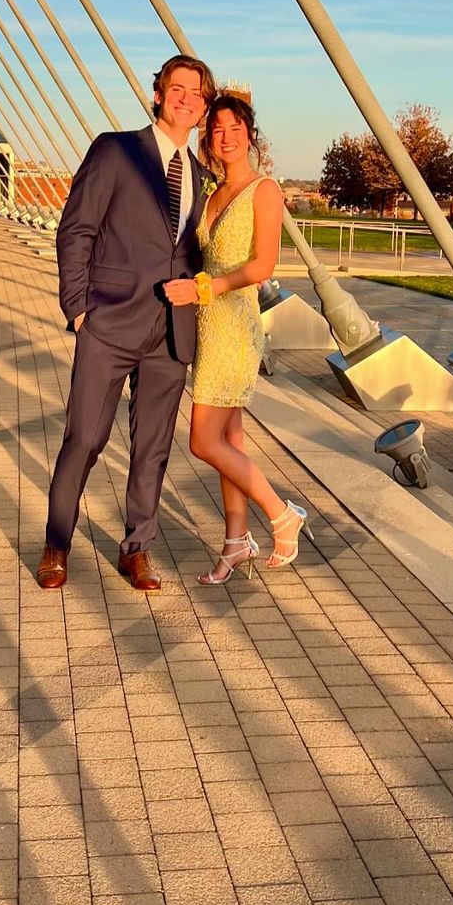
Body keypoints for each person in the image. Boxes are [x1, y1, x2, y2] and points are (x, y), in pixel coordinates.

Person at [38, 54, 216, 592]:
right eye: (177, 89)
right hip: (109, 322)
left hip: (170, 333)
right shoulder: (115, 150)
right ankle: (56, 544)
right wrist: (77, 308)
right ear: (158, 93)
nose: (187, 99)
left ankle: (136, 549)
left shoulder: (203, 176)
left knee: (153, 448)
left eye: (197, 93)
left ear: (204, 107)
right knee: (85, 437)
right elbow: (76, 229)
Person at [164, 95, 313, 583]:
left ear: (250, 134)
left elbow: (263, 265)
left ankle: (281, 514)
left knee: (203, 440)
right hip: (207, 326)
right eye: (217, 129)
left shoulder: (264, 190)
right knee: (230, 440)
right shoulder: (211, 192)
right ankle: (236, 541)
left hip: (235, 328)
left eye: (234, 128)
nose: (225, 137)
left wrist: (205, 288)